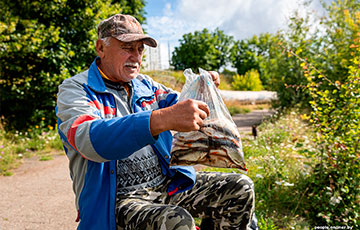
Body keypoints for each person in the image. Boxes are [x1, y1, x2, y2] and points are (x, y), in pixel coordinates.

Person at [56, 13, 257, 230]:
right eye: (127, 47)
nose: (136, 56)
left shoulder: (146, 85)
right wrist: (160, 119)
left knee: (240, 188)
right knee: (176, 222)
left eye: (140, 49)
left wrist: (202, 88)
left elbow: (181, 103)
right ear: (101, 48)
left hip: (165, 186)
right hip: (118, 202)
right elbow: (89, 139)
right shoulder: (76, 89)